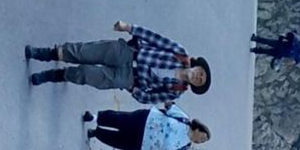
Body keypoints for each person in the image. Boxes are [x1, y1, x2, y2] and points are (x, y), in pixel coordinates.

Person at [25, 22, 210, 100]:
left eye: (199, 81)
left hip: (129, 78)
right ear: (198, 66)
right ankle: (45, 53)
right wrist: (129, 28)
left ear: (195, 86)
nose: (197, 77)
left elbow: (150, 98)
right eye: (200, 73)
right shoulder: (180, 53)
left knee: (87, 75)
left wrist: (134, 90)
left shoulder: (176, 91)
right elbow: (155, 38)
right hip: (129, 53)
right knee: (84, 52)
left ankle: (53, 75)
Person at [81, 106, 209, 150]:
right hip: (146, 121)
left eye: (202, 141)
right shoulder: (184, 119)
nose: (200, 141)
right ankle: (94, 118)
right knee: (120, 119)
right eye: (202, 138)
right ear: (198, 129)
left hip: (145, 145)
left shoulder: (185, 147)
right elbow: (169, 107)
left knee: (118, 141)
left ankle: (97, 133)